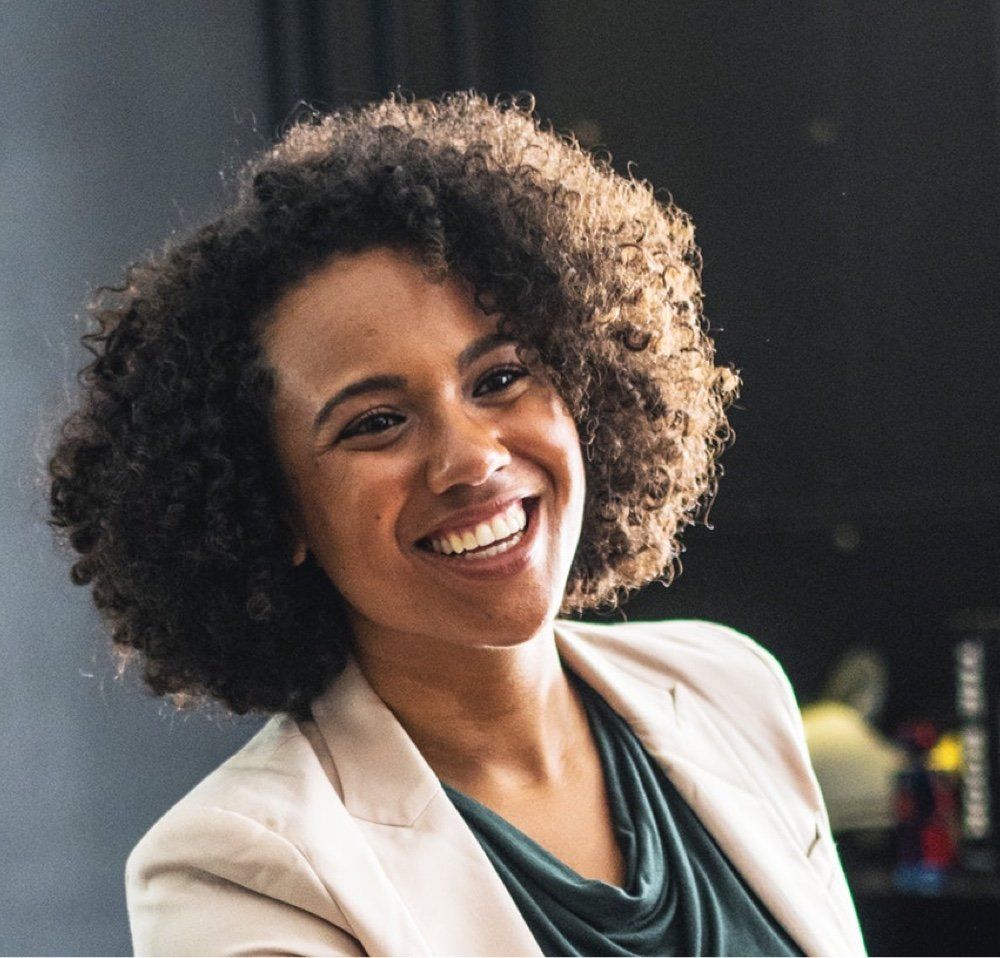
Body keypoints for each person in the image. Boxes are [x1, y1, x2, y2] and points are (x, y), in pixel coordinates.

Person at [48, 91, 865, 956]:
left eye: (500, 377)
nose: (470, 458)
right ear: (271, 506)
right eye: (375, 422)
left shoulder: (732, 688)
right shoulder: (238, 871)